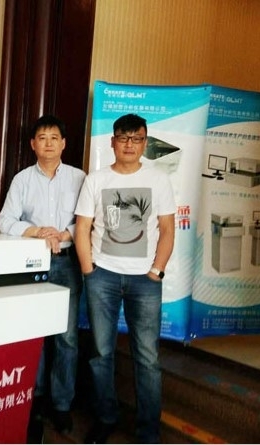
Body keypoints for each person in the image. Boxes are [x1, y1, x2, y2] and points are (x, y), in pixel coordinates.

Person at [74, 113, 176, 444]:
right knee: (101, 353)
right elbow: (83, 228)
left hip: (145, 281)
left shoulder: (159, 179)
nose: (129, 144)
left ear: (145, 143)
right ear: (113, 141)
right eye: (123, 137)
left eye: (137, 139)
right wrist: (89, 271)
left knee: (147, 358)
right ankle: (105, 418)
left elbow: (167, 229)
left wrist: (157, 270)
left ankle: (148, 432)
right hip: (102, 276)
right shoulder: (96, 179)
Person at [0, 114, 86, 440]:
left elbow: (89, 220)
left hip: (67, 263)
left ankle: (61, 405)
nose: (48, 143)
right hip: (31, 264)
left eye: (54, 137)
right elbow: (6, 220)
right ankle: (33, 401)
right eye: (42, 138)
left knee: (67, 337)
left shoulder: (80, 178)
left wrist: (63, 234)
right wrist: (38, 231)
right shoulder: (22, 179)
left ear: (63, 143)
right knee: (33, 333)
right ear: (33, 144)